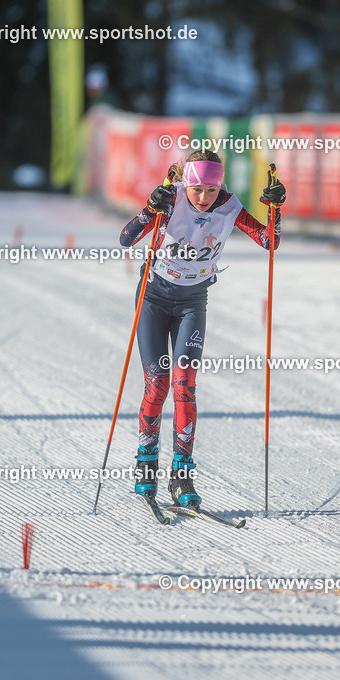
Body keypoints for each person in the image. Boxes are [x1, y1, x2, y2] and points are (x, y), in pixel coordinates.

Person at [119, 150, 287, 508]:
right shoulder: (171, 199)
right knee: (158, 383)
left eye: (211, 189)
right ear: (186, 182)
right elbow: (126, 238)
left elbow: (268, 241)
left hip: (193, 303)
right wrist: (151, 209)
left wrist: (276, 207)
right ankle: (146, 462)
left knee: (184, 383)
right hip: (153, 299)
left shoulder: (229, 206)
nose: (204, 197)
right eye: (197, 189)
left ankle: (182, 476)